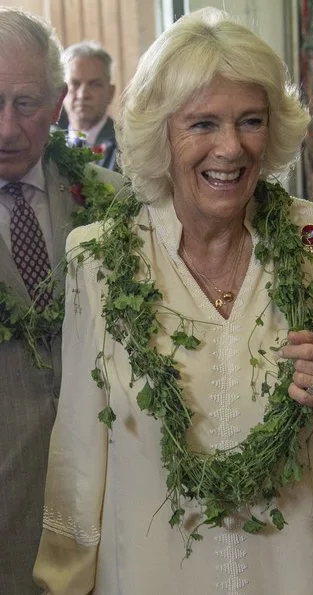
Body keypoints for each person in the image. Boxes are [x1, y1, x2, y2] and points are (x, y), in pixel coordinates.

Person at [33, 8, 313, 595]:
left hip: (299, 572)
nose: (230, 148)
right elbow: (80, 442)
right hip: (152, 573)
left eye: (250, 121)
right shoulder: (100, 259)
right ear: (162, 133)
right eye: (203, 124)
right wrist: (64, 578)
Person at [0, 8, 125, 594]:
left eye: (25, 105)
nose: (5, 128)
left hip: (109, 516)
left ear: (57, 103)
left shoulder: (112, 203)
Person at [60, 40, 118, 170]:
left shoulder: (127, 147)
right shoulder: (45, 144)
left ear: (110, 93)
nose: (83, 94)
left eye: (94, 84)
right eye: (75, 84)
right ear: (60, 91)